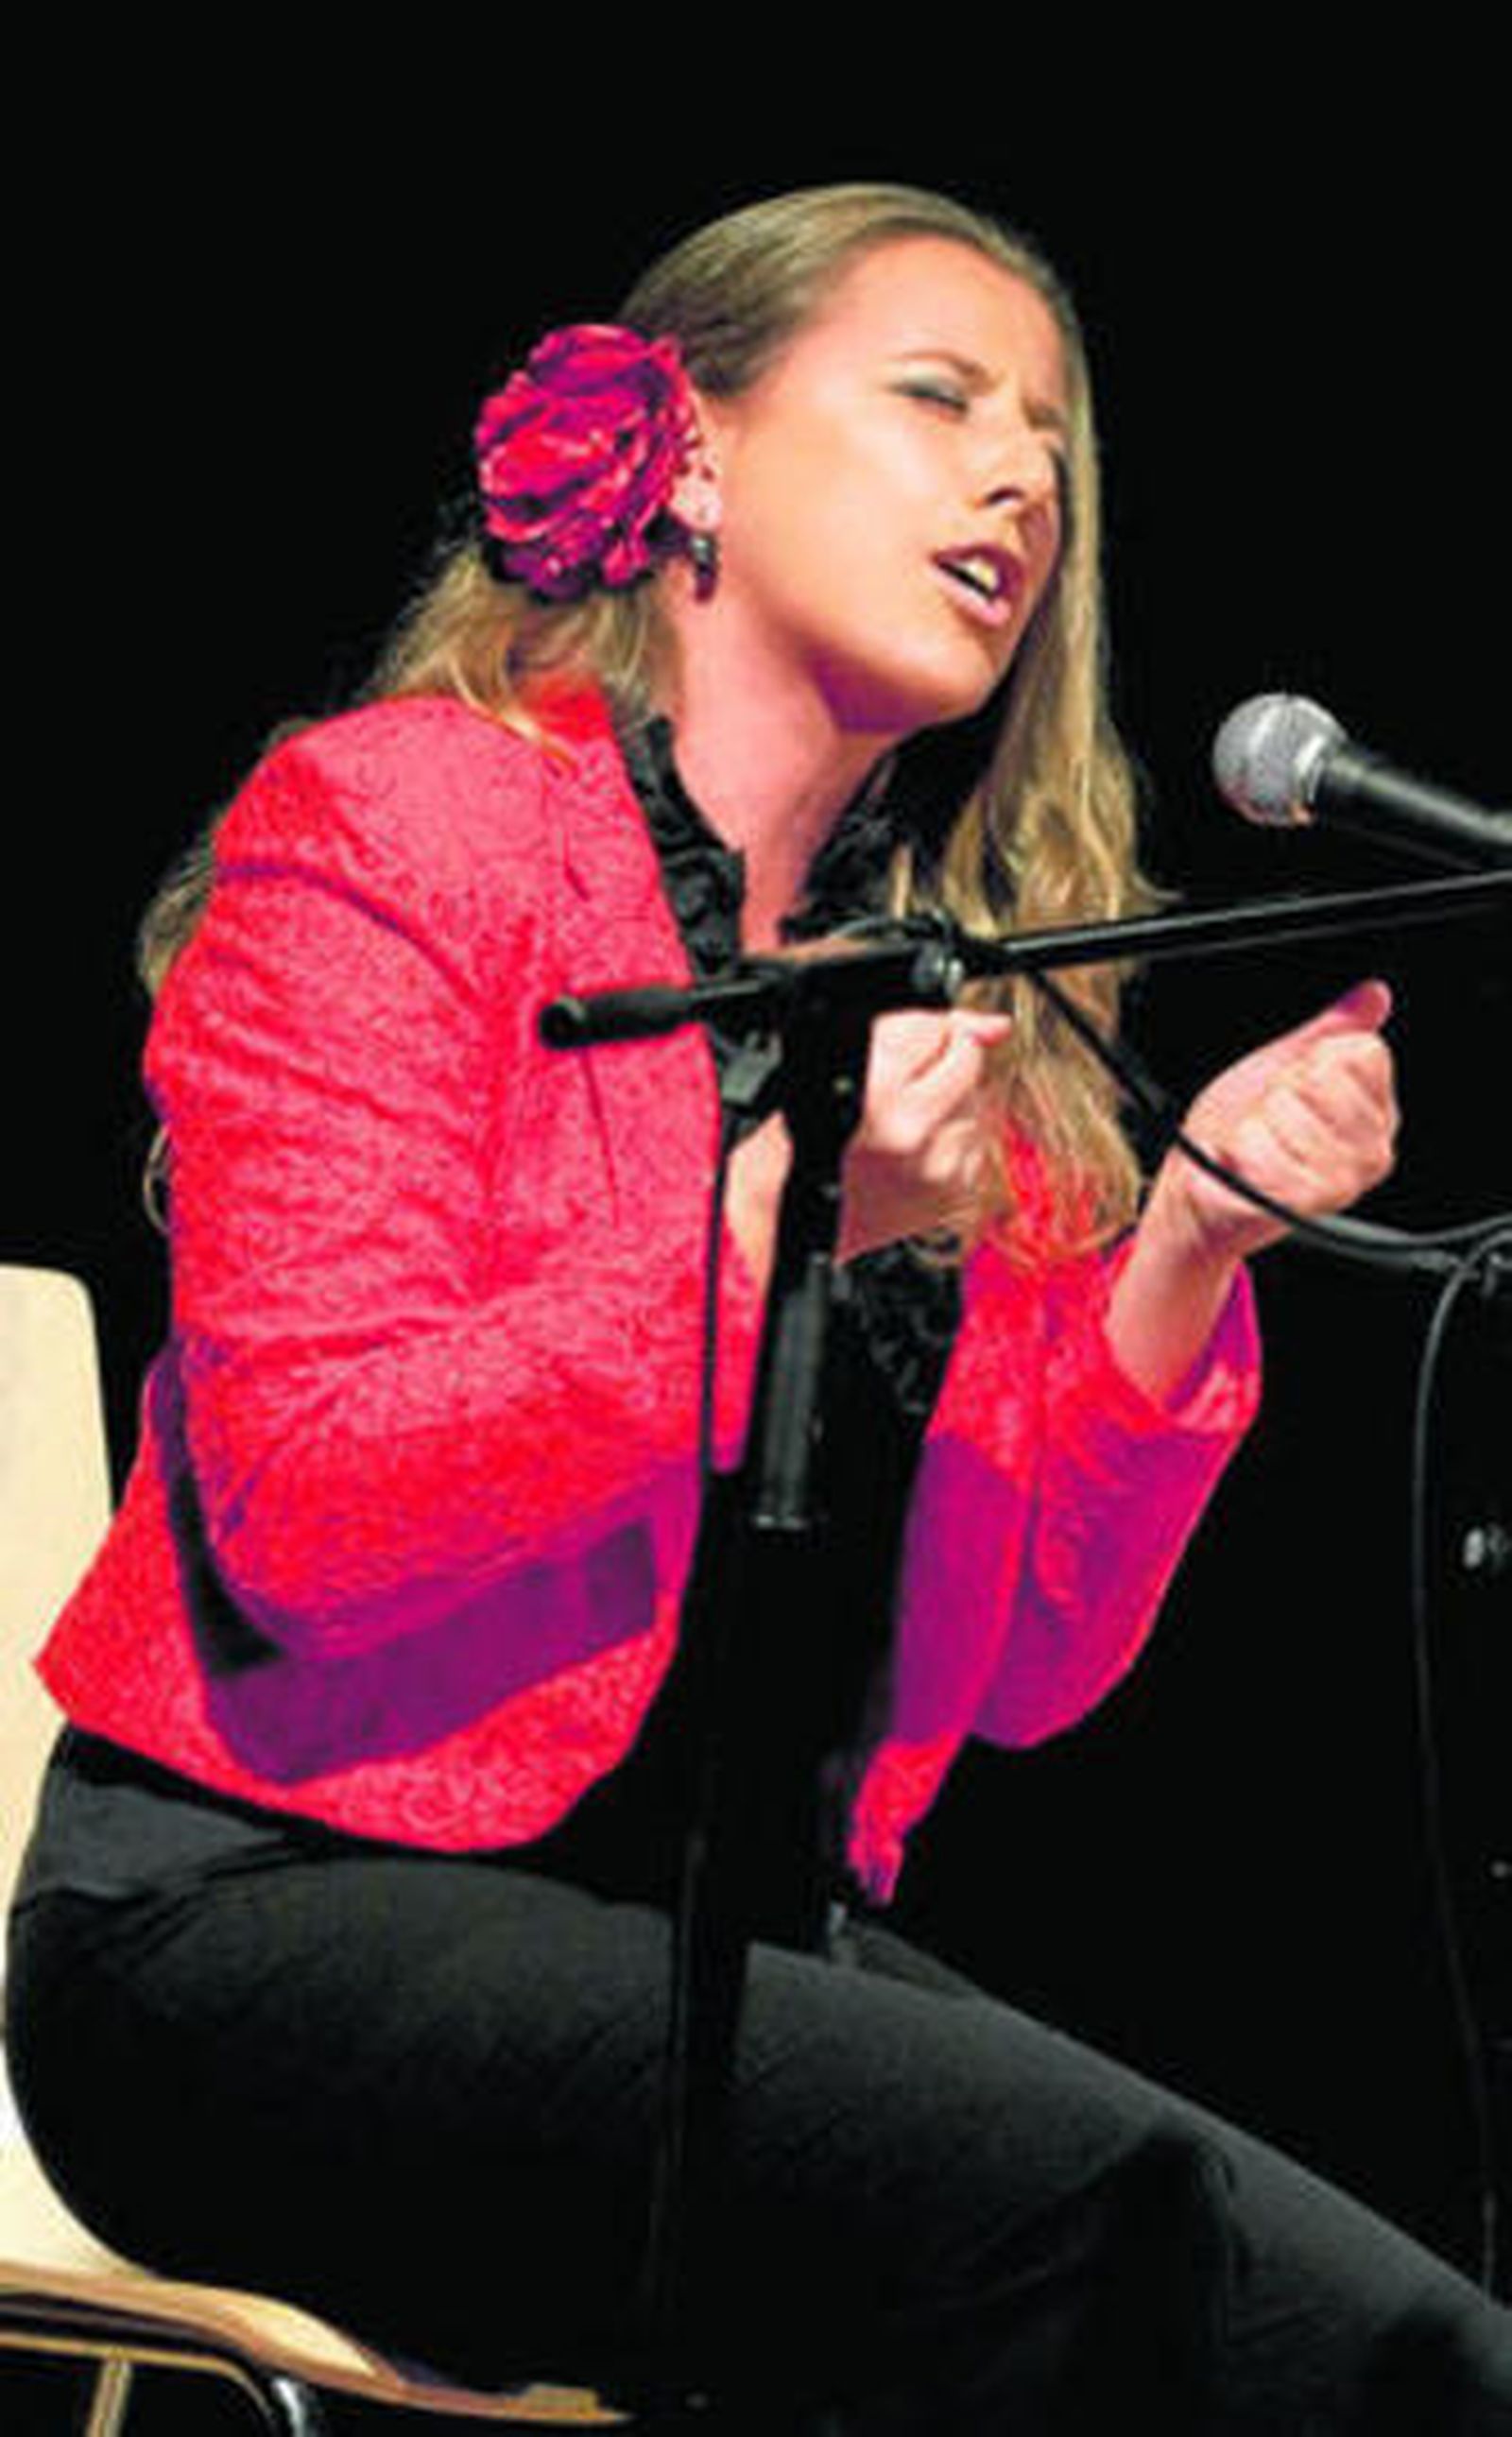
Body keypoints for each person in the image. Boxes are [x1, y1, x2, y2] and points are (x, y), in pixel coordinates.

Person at [6, 182, 1507, 2430]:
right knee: (1131, 2258)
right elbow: (312, 1507)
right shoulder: (399, 827)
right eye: (939, 400)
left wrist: (1184, 1248)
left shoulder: (958, 996)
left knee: (1394, 2348)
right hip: (264, 1932)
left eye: (1050, 448)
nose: (1018, 482)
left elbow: (1013, 1674)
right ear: (687, 451)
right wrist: (761, 1235)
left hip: (708, 1946)